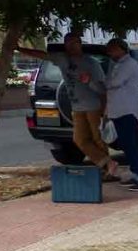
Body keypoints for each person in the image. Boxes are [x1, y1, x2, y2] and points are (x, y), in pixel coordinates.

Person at [16, 31, 118, 180]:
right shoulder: (62, 59)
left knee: (98, 139)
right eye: (68, 43)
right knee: (80, 139)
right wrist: (19, 49)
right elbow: (42, 55)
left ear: (80, 44)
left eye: (74, 43)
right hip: (77, 108)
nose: (71, 46)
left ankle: (108, 171)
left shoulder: (91, 63)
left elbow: (102, 89)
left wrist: (91, 85)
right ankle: (107, 163)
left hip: (93, 107)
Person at [104, 38, 138, 192]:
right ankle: (135, 173)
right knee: (125, 144)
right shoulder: (117, 65)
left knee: (131, 144)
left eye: (112, 49)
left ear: (121, 49)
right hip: (118, 110)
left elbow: (115, 82)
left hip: (127, 110)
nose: (109, 52)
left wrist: (101, 82)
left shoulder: (129, 65)